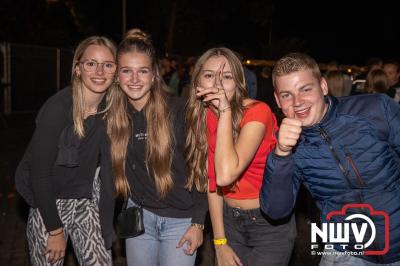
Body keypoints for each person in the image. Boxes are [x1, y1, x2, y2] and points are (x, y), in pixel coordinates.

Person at [260, 52, 400, 265]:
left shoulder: (375, 108)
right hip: (345, 251)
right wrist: (281, 153)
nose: (298, 102)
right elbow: (276, 210)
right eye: (287, 95)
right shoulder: (286, 145)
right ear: (278, 100)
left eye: (306, 89)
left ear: (323, 87)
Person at [105, 28, 207, 266]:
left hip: (180, 221)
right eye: (126, 71)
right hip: (138, 217)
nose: (134, 79)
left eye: (142, 71)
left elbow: (201, 166)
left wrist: (198, 223)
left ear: (154, 75)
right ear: (117, 76)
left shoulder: (178, 110)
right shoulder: (113, 116)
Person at [186, 47, 296, 266]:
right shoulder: (204, 116)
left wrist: (225, 112)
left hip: (268, 224)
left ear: (238, 83)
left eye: (226, 76)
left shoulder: (258, 111)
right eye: (209, 75)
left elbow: (226, 175)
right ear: (197, 82)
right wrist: (219, 242)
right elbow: (214, 184)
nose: (217, 83)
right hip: (230, 221)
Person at [15, 36, 117, 265]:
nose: (99, 71)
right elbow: (38, 174)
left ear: (115, 71)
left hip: (88, 199)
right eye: (91, 63)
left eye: (108, 65)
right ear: (78, 68)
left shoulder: (113, 107)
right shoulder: (58, 108)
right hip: (49, 201)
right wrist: (55, 231)